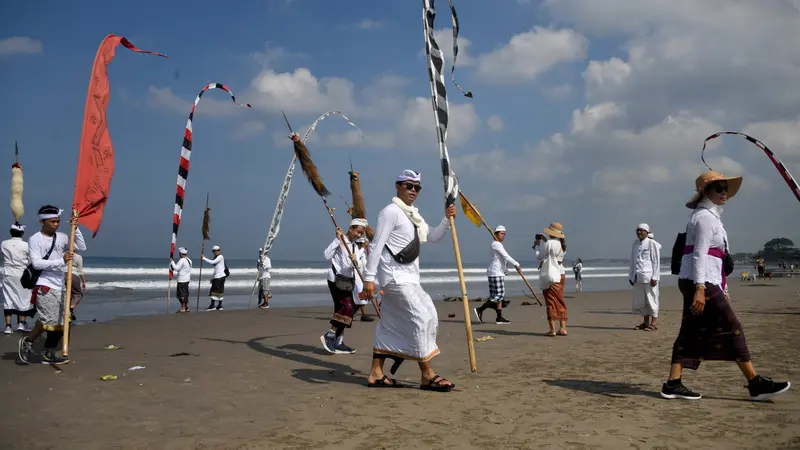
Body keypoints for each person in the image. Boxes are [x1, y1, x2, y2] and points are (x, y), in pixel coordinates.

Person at [661, 170, 791, 401]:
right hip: (699, 281)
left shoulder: (711, 217)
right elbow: (700, 254)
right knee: (732, 326)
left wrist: (722, 288)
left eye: (725, 189)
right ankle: (755, 382)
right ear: (705, 192)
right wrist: (700, 289)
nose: (724, 193)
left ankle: (673, 383)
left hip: (702, 280)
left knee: (690, 330)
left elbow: (716, 258)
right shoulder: (704, 218)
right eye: (718, 188)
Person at [362, 169, 456, 391]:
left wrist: (447, 219)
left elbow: (433, 235)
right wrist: (369, 278)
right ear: (398, 186)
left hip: (411, 278)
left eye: (417, 187)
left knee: (391, 323)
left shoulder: (413, 215)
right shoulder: (391, 212)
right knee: (422, 317)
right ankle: (427, 374)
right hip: (395, 278)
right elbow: (376, 244)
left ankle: (376, 373)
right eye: (408, 185)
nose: (413, 190)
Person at [18, 206, 86, 365]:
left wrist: (75, 228)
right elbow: (36, 263)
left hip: (60, 285)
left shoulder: (62, 237)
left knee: (60, 320)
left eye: (58, 221)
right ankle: (45, 350)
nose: (56, 224)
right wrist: (60, 261)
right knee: (53, 321)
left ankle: (32, 343)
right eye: (52, 221)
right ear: (42, 221)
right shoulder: (36, 239)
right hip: (44, 284)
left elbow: (81, 247)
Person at [321, 218, 368, 354]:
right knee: (346, 307)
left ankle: (338, 341)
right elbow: (326, 255)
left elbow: (358, 265)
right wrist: (337, 240)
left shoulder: (354, 245)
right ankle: (329, 336)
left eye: (361, 234)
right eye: (357, 232)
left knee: (348, 310)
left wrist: (356, 261)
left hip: (348, 281)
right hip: (336, 280)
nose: (359, 235)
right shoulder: (341, 241)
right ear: (351, 229)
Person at [474, 225, 519, 325]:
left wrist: (505, 270)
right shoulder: (496, 244)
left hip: (495, 272)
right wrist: (516, 264)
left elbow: (502, 259)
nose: (503, 235)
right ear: (495, 234)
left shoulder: (496, 245)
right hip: (495, 273)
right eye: (501, 233)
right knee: (499, 295)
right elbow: (506, 256)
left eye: (504, 234)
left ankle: (499, 318)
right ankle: (480, 309)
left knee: (497, 296)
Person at [534, 223, 567, 337]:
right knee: (560, 301)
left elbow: (539, 256)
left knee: (550, 302)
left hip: (551, 274)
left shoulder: (549, 243)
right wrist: (544, 240)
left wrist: (537, 246)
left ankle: (552, 330)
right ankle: (562, 328)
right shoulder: (562, 245)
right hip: (561, 273)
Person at [628, 223, 661, 331]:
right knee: (642, 301)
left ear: (647, 232)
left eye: (642, 230)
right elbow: (633, 261)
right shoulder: (635, 244)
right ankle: (645, 322)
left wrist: (655, 277)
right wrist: (631, 276)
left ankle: (654, 322)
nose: (639, 232)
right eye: (637, 230)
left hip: (649, 276)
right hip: (638, 277)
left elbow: (656, 261)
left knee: (652, 299)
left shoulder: (652, 243)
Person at [2, 223, 33, 334]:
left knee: (8, 299)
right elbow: (31, 260)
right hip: (21, 274)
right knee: (23, 299)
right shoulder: (26, 245)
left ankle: (8, 327)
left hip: (8, 273)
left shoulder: (4, 243)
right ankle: (21, 324)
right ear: (22, 233)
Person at [353, 237, 374, 322]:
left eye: (361, 244)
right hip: (355, 275)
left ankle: (358, 313)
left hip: (362, 274)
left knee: (360, 295)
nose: (360, 245)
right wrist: (363, 248)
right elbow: (356, 261)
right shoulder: (354, 249)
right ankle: (362, 314)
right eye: (359, 244)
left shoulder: (364, 251)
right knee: (359, 294)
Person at [202, 245, 227, 311]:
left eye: (217, 250)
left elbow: (212, 262)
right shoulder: (216, 257)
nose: (216, 252)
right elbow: (216, 269)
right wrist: (212, 277)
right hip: (219, 276)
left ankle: (213, 305)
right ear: (213, 251)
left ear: (219, 250)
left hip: (219, 277)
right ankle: (219, 305)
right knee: (219, 291)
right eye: (215, 251)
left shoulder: (220, 257)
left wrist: (204, 258)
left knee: (214, 291)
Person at [170, 247, 192, 313]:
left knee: (181, 295)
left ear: (181, 253)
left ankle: (183, 308)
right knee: (185, 294)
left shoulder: (182, 260)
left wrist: (172, 262)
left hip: (182, 279)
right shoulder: (189, 260)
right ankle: (185, 307)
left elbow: (176, 268)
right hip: (187, 279)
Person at [66, 250, 87, 322]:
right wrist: (84, 282)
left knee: (65, 295)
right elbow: (80, 271)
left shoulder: (62, 254)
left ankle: (65, 311)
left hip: (61, 275)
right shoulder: (78, 257)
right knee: (78, 294)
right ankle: (70, 309)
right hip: (73, 275)